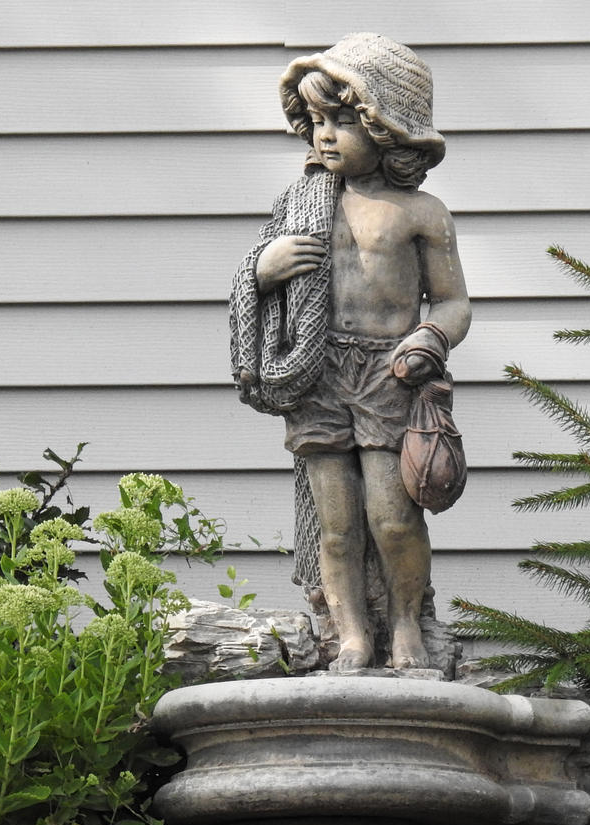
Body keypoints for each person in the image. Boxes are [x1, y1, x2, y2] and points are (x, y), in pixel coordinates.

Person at [229, 33, 470, 671]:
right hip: (317, 370)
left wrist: (430, 337)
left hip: (389, 373)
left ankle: (407, 624)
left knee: (393, 518)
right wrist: (263, 269)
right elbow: (251, 277)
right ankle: (352, 632)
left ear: (386, 127)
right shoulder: (299, 206)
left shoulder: (422, 212)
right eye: (316, 122)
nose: (325, 136)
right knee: (336, 527)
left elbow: (453, 303)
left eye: (341, 121)